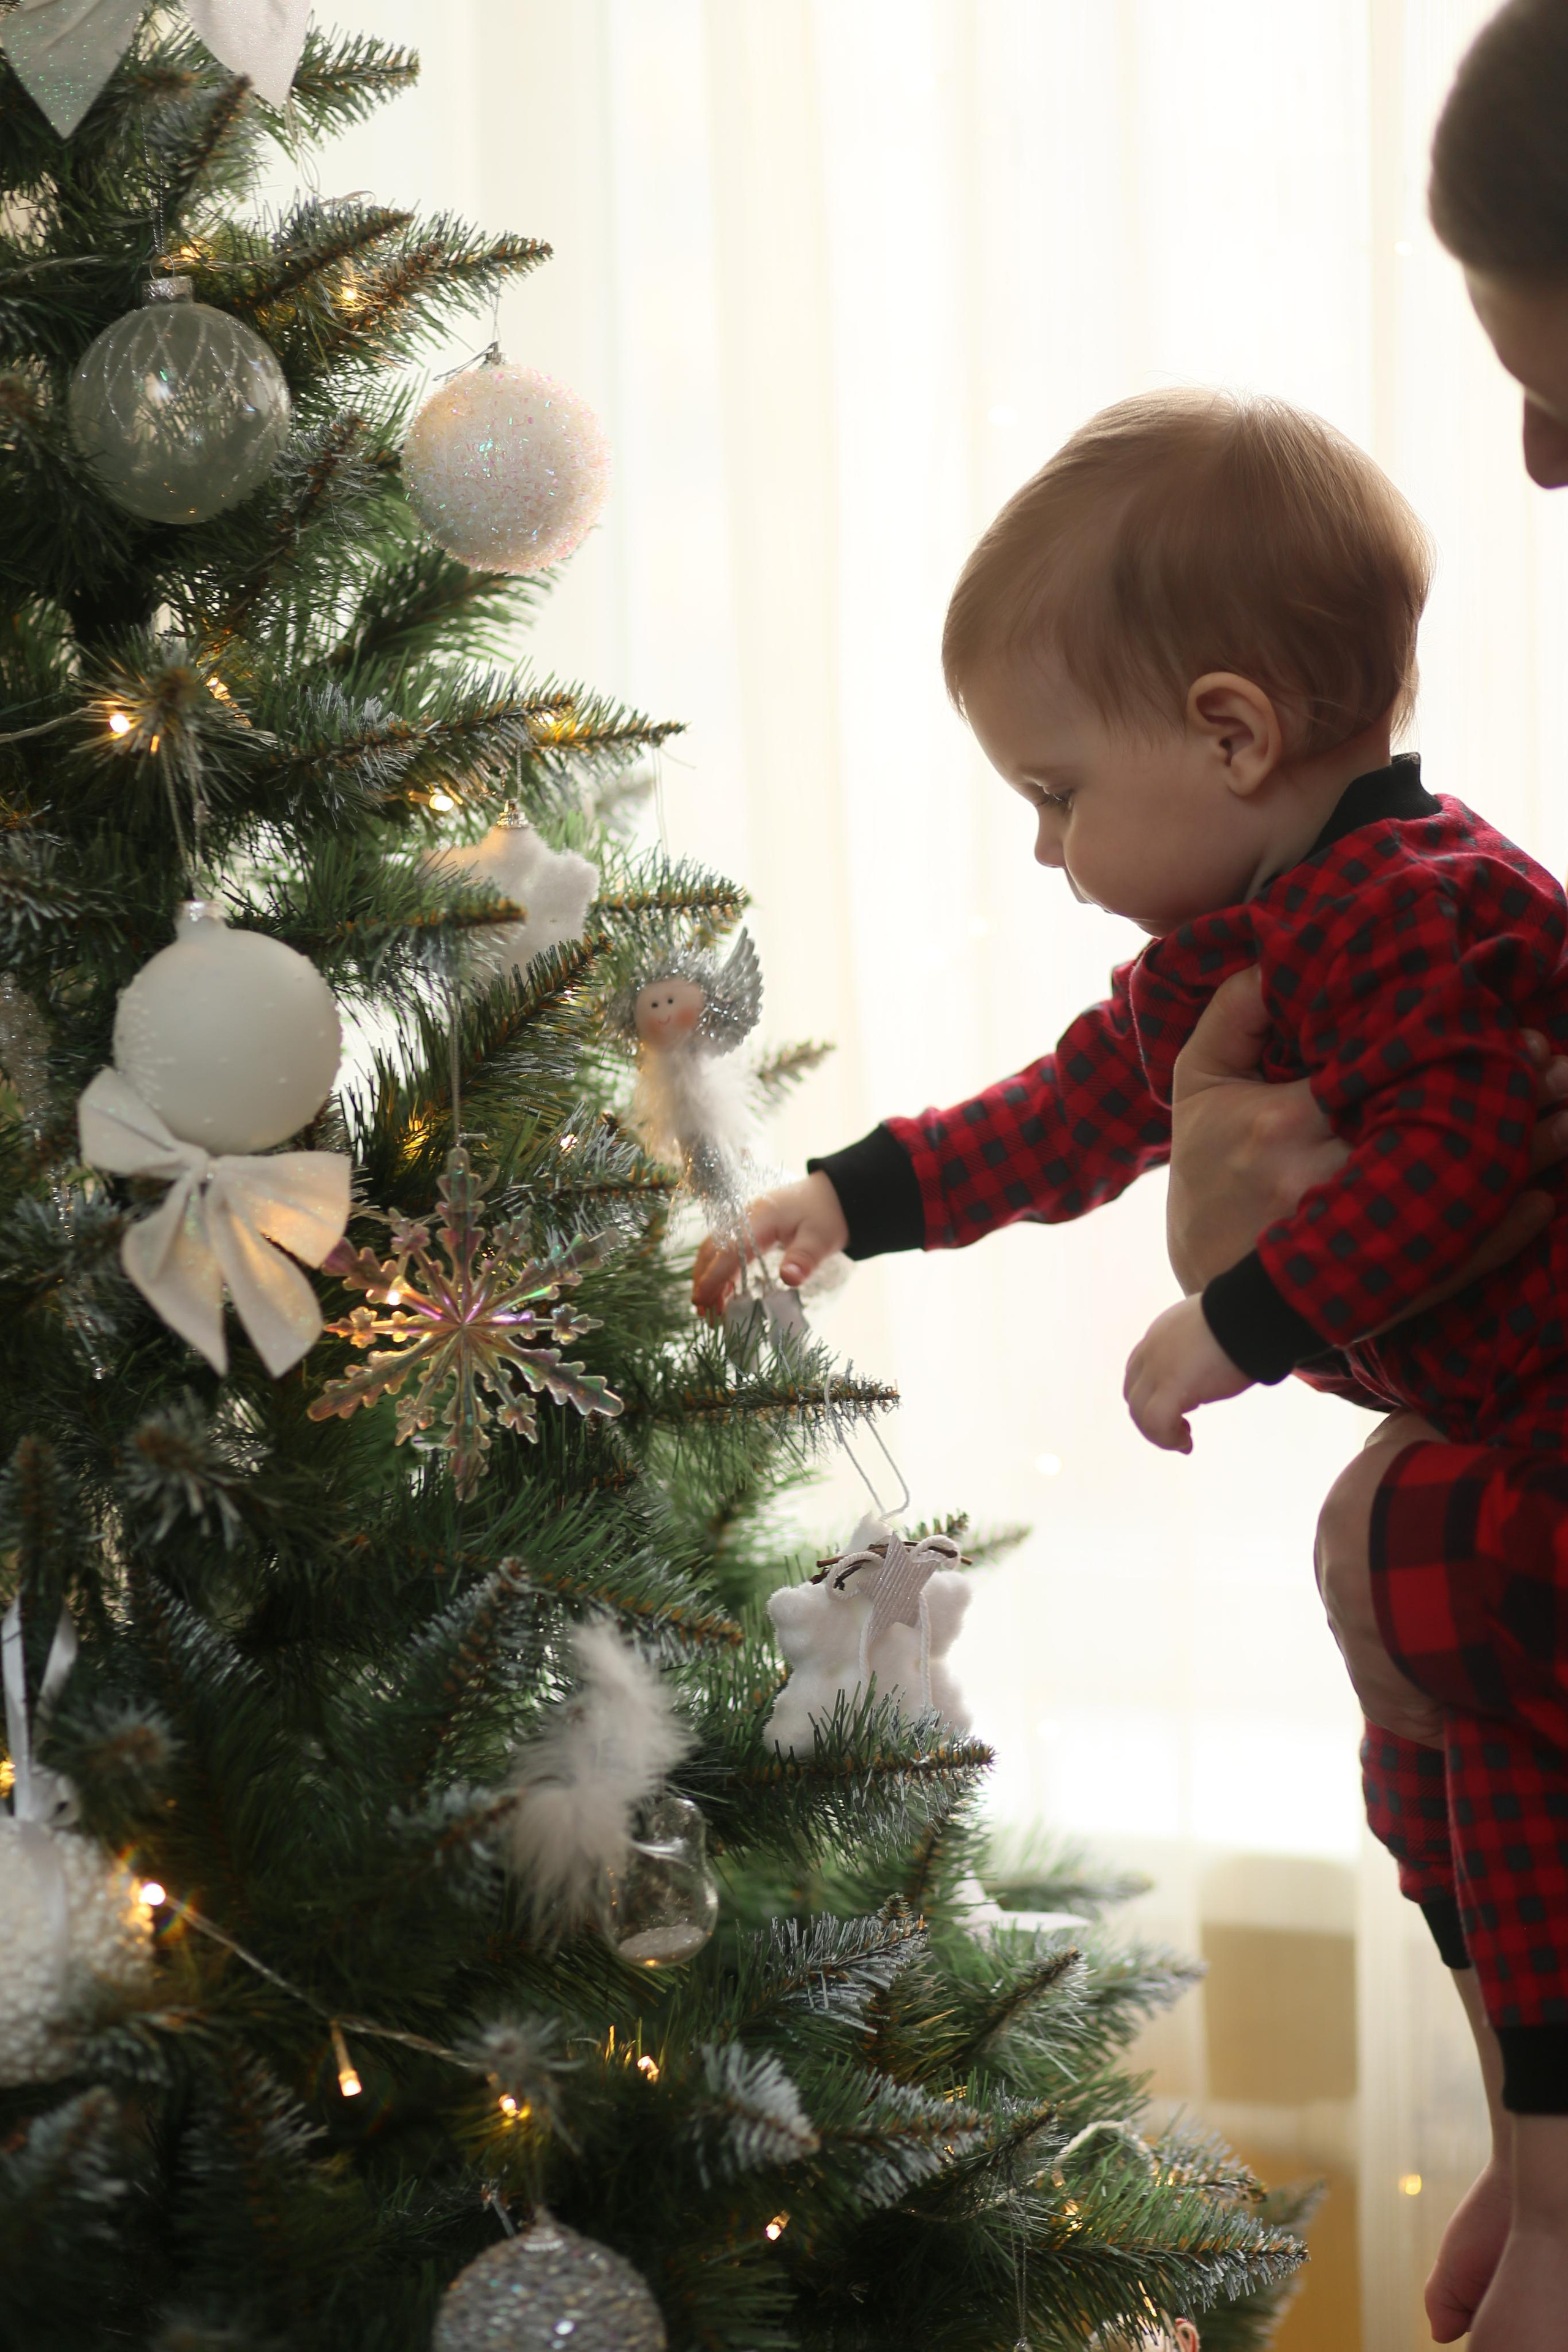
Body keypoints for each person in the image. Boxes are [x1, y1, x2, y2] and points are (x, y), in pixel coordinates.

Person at [692, 380, 1568, 2349]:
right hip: (1491, 1442)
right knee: (1429, 1778)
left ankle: (1566, 2201)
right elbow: (1078, 1109)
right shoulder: (1270, 921)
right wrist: (853, 1193)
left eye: (1057, 794)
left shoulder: (1411, 912)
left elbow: (1463, 1162)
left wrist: (1229, 1323)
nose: (1043, 845)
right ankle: (1537, 2125)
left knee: (1470, 1690)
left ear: (1232, 730)